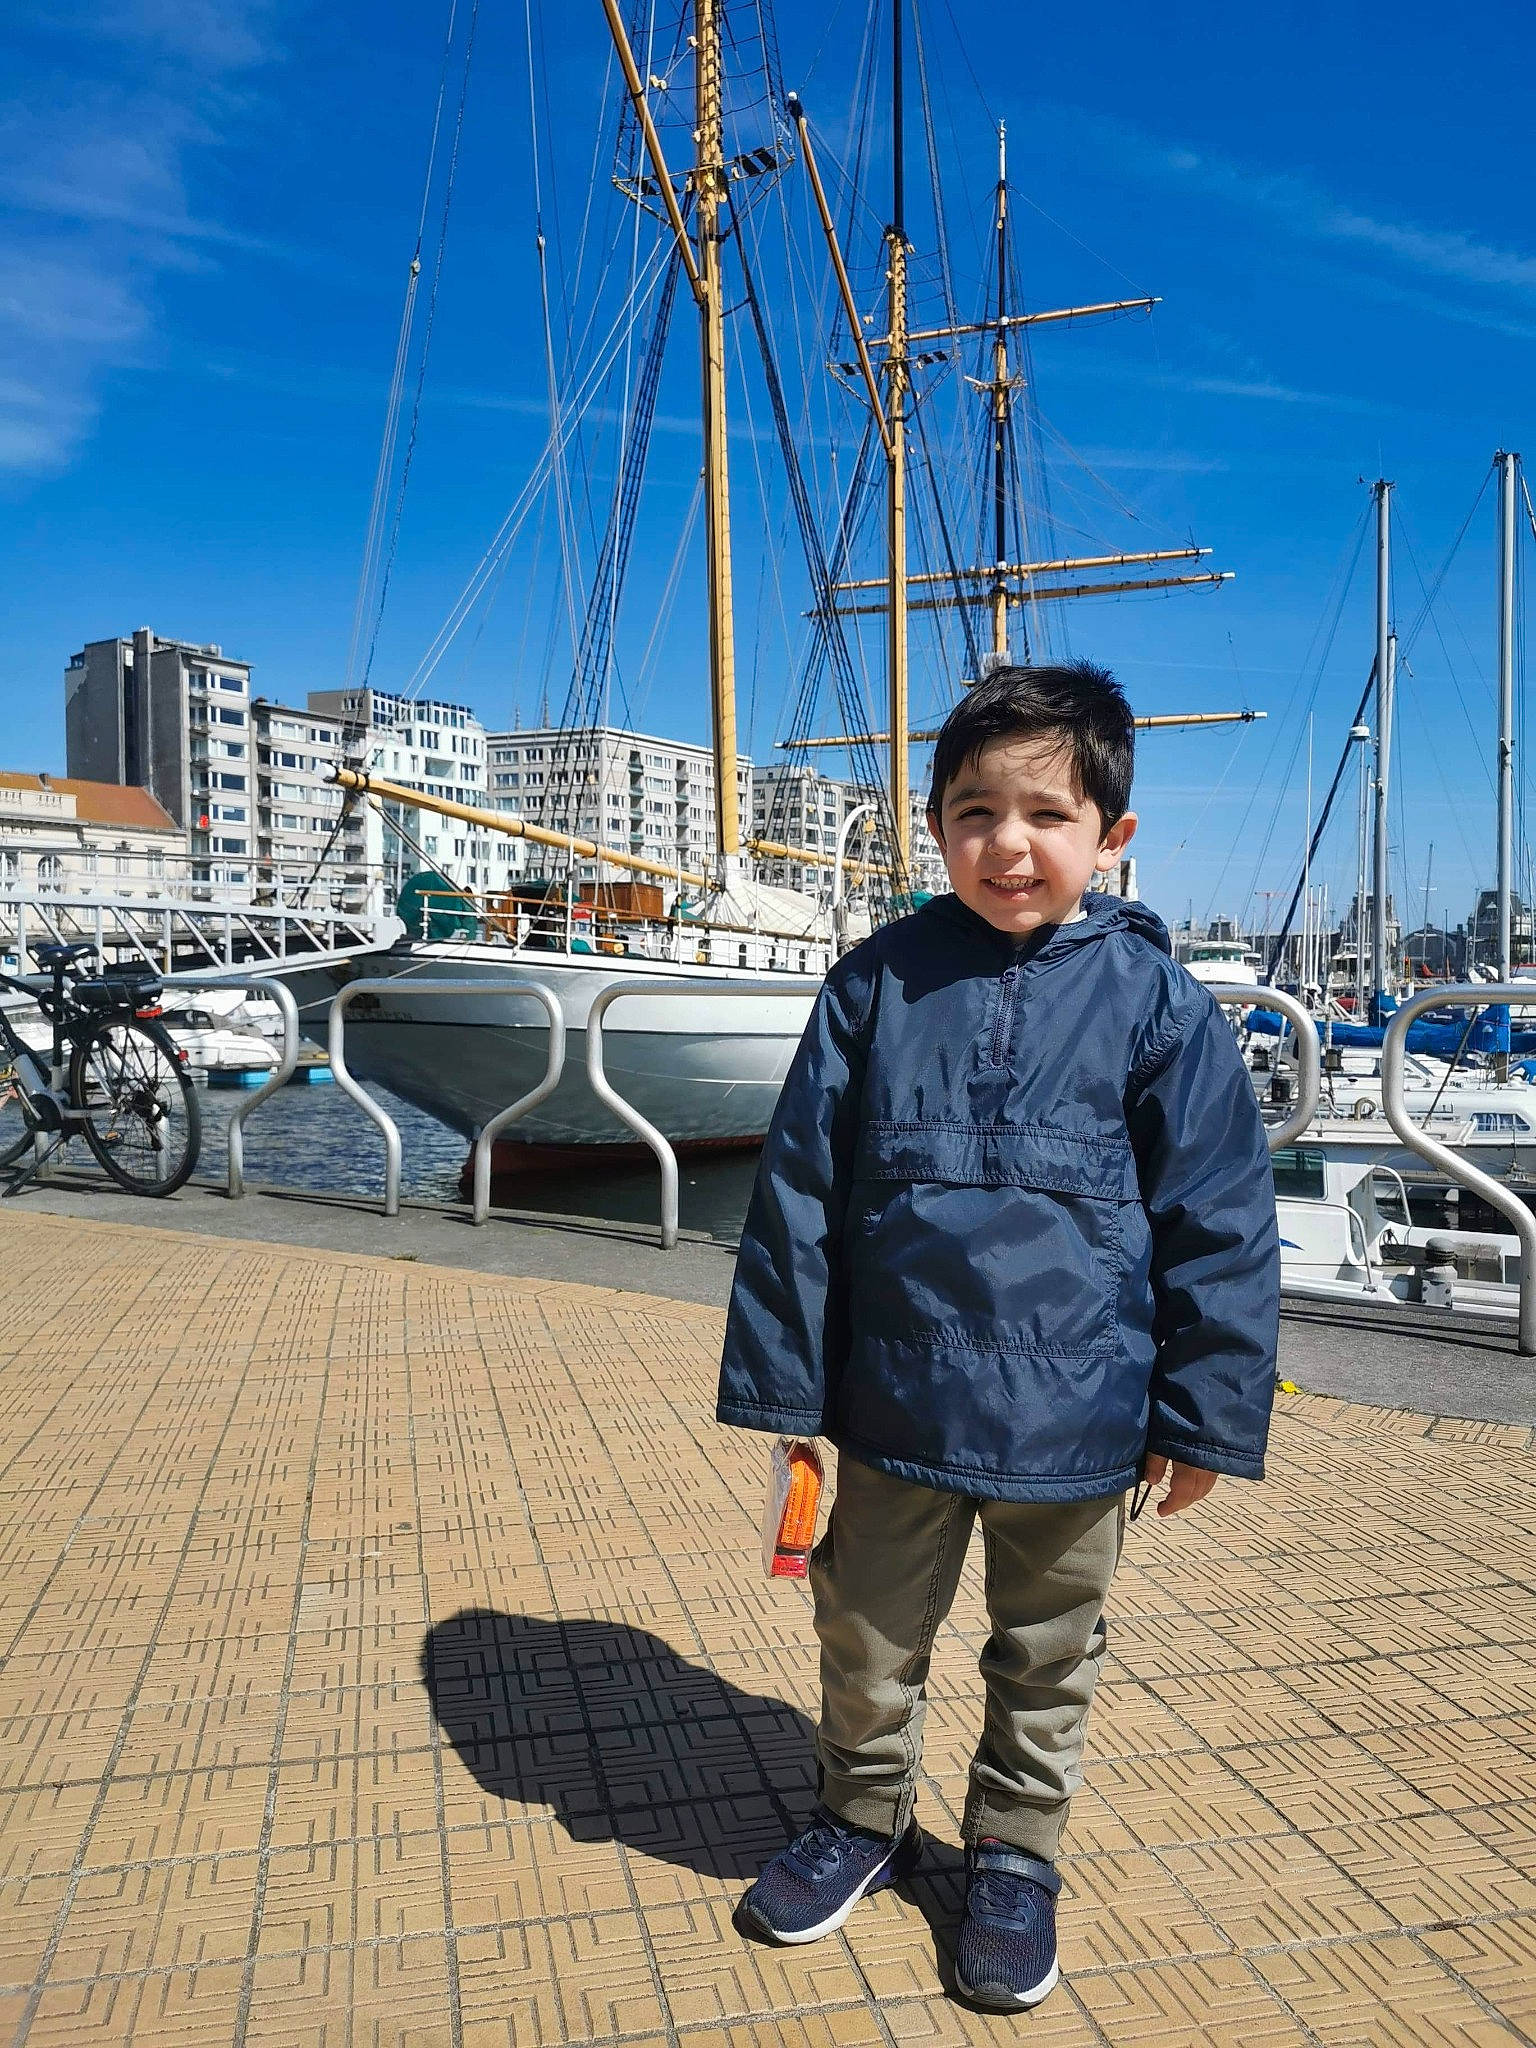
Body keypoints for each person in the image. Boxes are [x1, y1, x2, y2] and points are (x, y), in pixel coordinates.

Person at [716, 661, 1279, 2011]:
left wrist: (1202, 1422)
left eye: (1046, 814)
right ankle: (863, 1822)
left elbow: (1219, 1221)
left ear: (1112, 839)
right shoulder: (874, 985)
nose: (1008, 844)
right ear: (934, 825)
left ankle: (1017, 1859)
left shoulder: (1159, 1006)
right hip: (898, 1402)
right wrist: (793, 1386)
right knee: (865, 1635)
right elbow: (798, 1192)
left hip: (1083, 1421)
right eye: (974, 812)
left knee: (1048, 1655)